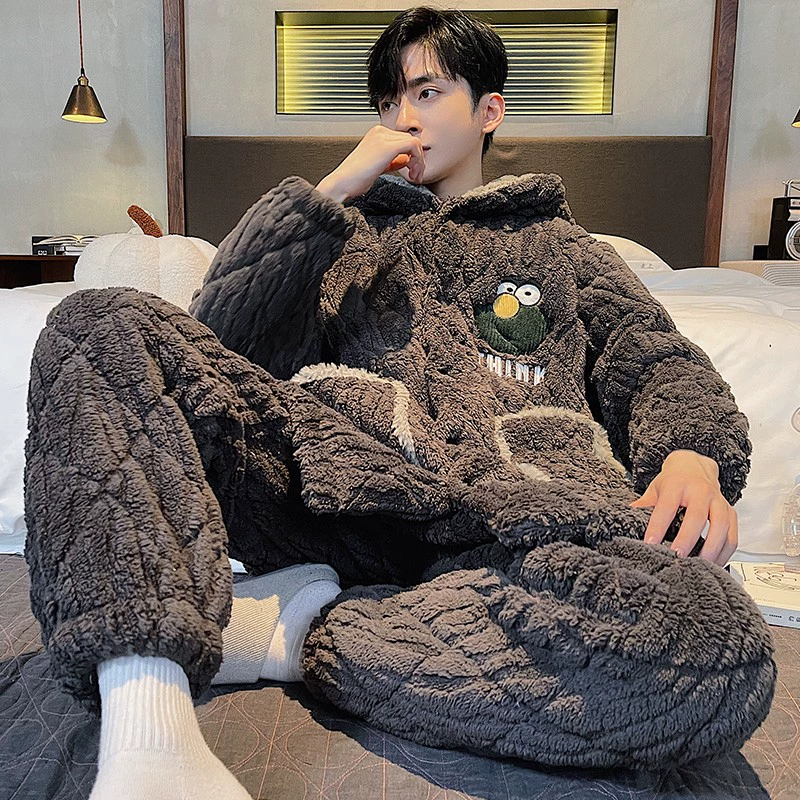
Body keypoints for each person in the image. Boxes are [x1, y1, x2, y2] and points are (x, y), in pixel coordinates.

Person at [23, 7, 775, 800]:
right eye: (388, 101)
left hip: (524, 525)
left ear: (489, 110)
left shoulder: (566, 250)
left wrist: (692, 456)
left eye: (427, 92)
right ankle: (149, 730)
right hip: (337, 504)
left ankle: (296, 626)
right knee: (96, 325)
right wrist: (328, 197)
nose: (401, 117)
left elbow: (655, 359)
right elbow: (220, 347)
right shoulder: (340, 238)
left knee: (717, 645)